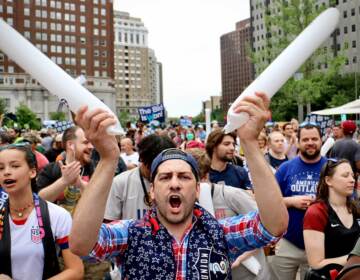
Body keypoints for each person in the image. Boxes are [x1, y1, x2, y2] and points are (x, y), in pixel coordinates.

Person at [69, 93, 288, 279]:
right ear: (152, 191)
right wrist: (108, 158)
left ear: (197, 189)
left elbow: (273, 226)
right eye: (165, 177)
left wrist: (249, 142)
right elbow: (81, 244)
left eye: (184, 177)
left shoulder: (220, 233)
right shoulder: (130, 235)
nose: (174, 183)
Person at [187, 148, 276, 280]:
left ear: (205, 176)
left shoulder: (231, 195)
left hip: (249, 274)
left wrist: (240, 257)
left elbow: (266, 228)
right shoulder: (183, 205)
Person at [0, 143, 83, 280]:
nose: (6, 172)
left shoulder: (57, 215)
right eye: (1, 168)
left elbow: (76, 270)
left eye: (15, 166)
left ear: (32, 172)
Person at [271, 122, 327, 280]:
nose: (310, 143)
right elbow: (269, 202)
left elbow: (346, 201)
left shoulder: (331, 167)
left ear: (321, 140)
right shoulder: (285, 168)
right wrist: (291, 201)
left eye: (314, 139)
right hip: (288, 242)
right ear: (298, 142)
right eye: (306, 139)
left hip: (320, 243)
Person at [303, 159, 360, 277]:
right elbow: (316, 263)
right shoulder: (316, 212)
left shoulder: (356, 209)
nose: (352, 180)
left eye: (353, 176)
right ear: (328, 180)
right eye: (345, 176)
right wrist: (355, 259)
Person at [104, 134, 176, 221]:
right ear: (141, 158)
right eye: (152, 167)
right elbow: (109, 223)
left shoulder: (176, 184)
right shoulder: (120, 183)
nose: (158, 173)